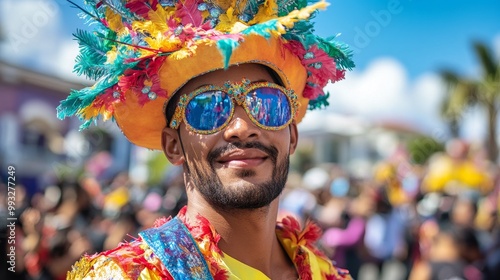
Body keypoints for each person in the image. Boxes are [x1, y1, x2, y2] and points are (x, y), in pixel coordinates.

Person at [58, 0, 354, 278]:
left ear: (292, 136)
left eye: (266, 102)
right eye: (208, 109)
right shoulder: (128, 275)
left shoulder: (325, 273)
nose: (241, 127)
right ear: (174, 146)